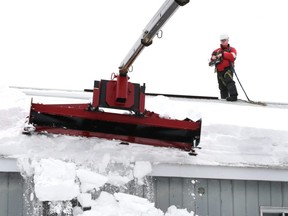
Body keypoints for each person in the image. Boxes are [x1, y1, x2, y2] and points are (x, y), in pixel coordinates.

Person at [209, 34, 238, 101]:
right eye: (222, 40)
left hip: (228, 69)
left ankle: (233, 97)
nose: (223, 42)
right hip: (219, 71)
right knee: (221, 86)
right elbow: (211, 62)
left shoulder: (232, 49)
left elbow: (233, 57)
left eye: (224, 40)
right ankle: (224, 99)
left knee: (229, 82)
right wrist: (213, 58)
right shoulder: (216, 51)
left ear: (228, 40)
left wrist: (223, 54)